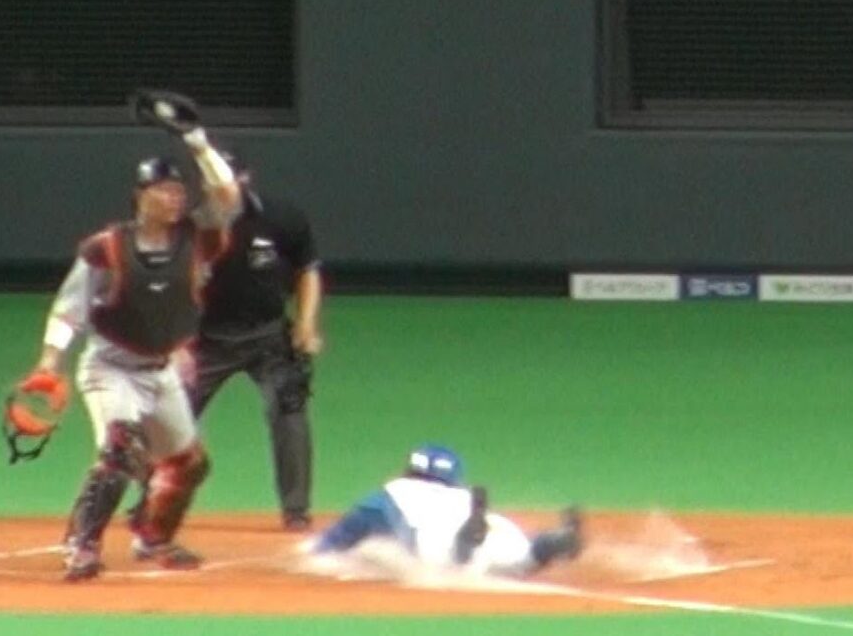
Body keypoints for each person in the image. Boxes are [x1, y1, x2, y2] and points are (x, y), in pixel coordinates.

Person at [22, 124, 241, 581]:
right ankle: (82, 546)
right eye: (164, 190)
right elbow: (70, 307)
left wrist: (199, 143)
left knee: (189, 464)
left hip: (161, 370)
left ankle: (153, 535)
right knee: (120, 451)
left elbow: (227, 196)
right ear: (141, 195)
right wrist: (50, 359)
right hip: (111, 368)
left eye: (179, 190)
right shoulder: (107, 248)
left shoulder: (196, 239)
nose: (175, 198)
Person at [187, 153, 323, 531]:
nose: (217, 188)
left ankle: (296, 509)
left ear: (244, 179)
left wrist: (306, 324)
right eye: (210, 180)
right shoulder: (191, 227)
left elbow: (307, 269)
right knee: (170, 418)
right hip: (207, 340)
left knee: (289, 409)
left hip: (268, 336)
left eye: (225, 179)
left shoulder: (281, 217)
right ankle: (154, 502)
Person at [310, 444, 583, 578]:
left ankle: (465, 545)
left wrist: (322, 553)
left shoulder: (389, 495)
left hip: (439, 540)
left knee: (454, 561)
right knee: (521, 557)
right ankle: (551, 542)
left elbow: (334, 542)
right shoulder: (460, 494)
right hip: (494, 528)